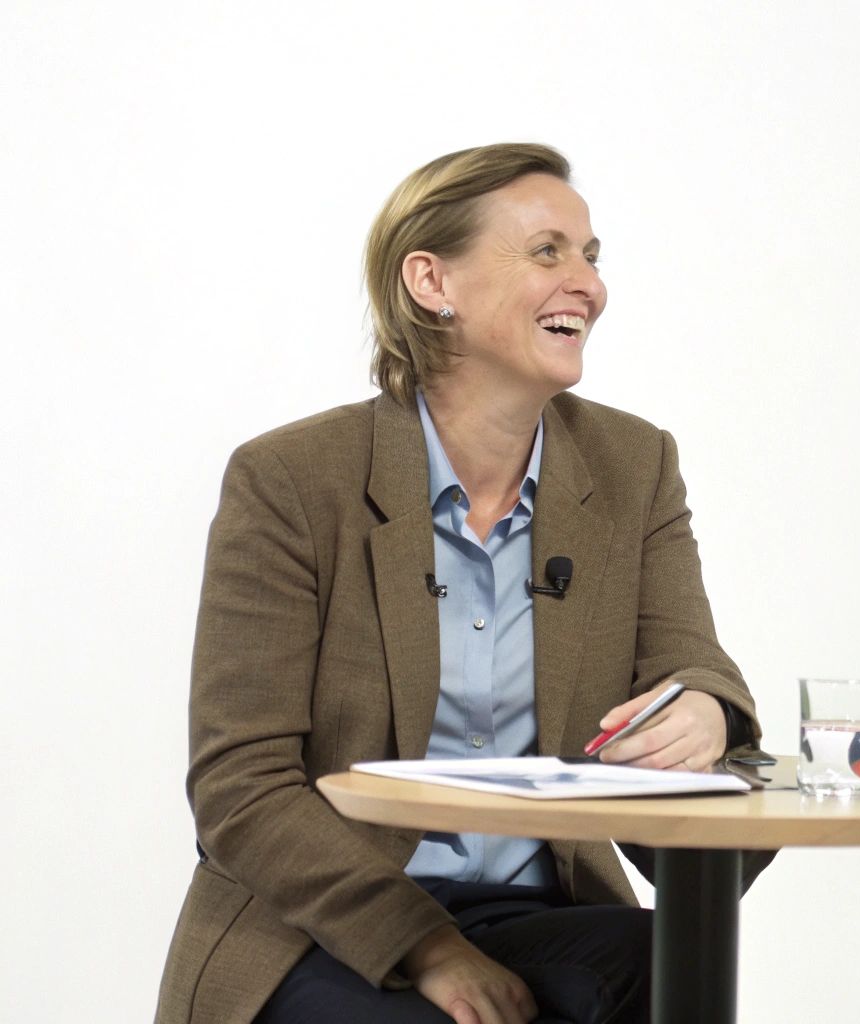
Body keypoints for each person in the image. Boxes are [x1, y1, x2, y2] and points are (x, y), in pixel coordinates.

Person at [155, 143, 770, 1024]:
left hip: (537, 908)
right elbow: (239, 786)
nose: (588, 286)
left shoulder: (634, 465)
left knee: (678, 972)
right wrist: (429, 947)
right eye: (548, 251)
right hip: (323, 927)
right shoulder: (292, 478)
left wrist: (705, 712)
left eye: (591, 256)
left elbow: (692, 666)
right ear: (431, 282)